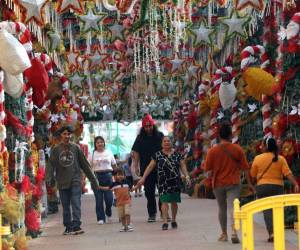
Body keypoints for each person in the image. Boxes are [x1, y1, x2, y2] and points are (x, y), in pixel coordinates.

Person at [203, 122, 254, 244]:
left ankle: (224, 234)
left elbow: (207, 170)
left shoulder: (212, 151)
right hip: (233, 182)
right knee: (233, 207)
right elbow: (246, 168)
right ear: (231, 136)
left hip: (218, 183)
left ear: (219, 136)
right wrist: (250, 184)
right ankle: (234, 233)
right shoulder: (237, 149)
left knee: (222, 208)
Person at [46, 125, 99, 235]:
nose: (67, 136)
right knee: (65, 205)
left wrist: (93, 179)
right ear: (61, 135)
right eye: (65, 134)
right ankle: (68, 226)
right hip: (62, 181)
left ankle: (76, 225)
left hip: (75, 179)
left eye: (69, 134)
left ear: (71, 135)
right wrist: (49, 178)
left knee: (76, 202)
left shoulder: (76, 148)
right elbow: (50, 165)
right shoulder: (56, 150)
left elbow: (85, 164)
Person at [136, 136, 191, 230]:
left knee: (174, 202)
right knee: (164, 202)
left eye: (168, 141)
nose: (166, 143)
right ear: (162, 144)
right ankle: (165, 221)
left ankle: (173, 220)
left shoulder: (177, 154)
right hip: (163, 182)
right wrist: (143, 178)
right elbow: (150, 167)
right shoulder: (157, 155)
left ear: (171, 142)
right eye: (164, 141)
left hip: (175, 182)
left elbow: (183, 165)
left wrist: (187, 176)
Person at [250, 137, 299, 242]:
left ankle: (272, 233)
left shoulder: (258, 158)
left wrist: (253, 185)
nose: (260, 147)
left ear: (266, 146)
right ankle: (278, 232)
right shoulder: (281, 159)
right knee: (278, 209)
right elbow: (288, 173)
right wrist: (295, 183)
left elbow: (253, 175)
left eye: (262, 145)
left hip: (262, 187)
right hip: (277, 187)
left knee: (267, 210)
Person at [131, 114, 164, 222]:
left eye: (150, 126)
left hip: (161, 168)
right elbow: (136, 153)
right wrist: (136, 166)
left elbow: (166, 150)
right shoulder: (140, 138)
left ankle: (163, 211)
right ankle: (152, 213)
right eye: (146, 127)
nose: (148, 128)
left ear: (153, 125)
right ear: (143, 127)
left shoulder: (160, 136)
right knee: (149, 193)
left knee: (162, 191)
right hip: (146, 170)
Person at [89, 136, 117, 225]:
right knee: (99, 199)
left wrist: (118, 177)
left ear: (104, 143)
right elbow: (88, 167)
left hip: (108, 176)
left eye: (101, 142)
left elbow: (114, 166)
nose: (100, 144)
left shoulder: (109, 152)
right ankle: (100, 218)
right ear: (95, 144)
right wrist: (88, 178)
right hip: (96, 177)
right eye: (98, 142)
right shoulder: (92, 154)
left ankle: (108, 212)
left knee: (109, 199)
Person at [99, 168, 133, 232]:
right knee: (122, 215)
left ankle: (128, 225)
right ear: (115, 176)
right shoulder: (114, 184)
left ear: (124, 176)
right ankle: (123, 226)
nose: (120, 176)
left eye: (122, 175)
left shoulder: (127, 182)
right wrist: (100, 187)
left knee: (127, 213)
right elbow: (108, 188)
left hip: (127, 201)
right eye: (118, 175)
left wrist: (137, 186)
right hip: (119, 203)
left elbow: (131, 189)